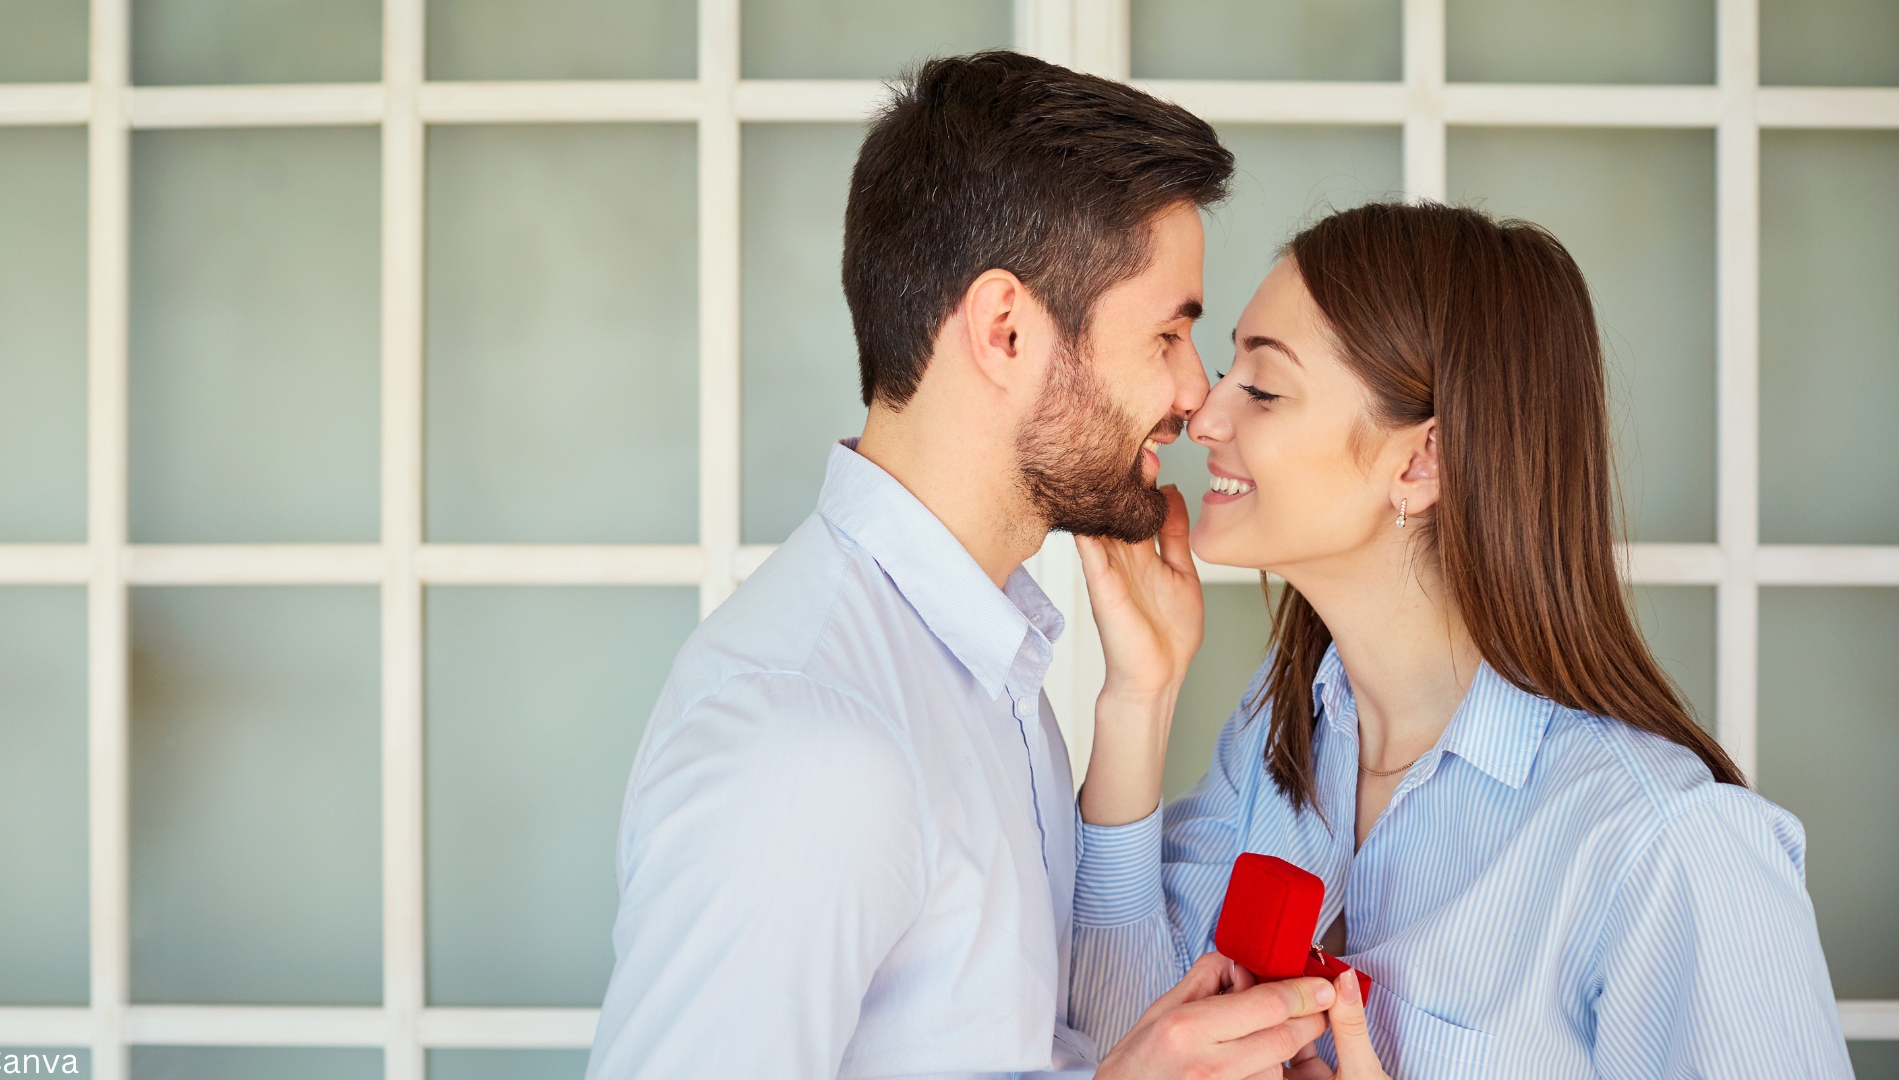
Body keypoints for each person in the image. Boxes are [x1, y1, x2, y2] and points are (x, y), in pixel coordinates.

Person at [586, 51, 1340, 1079]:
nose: (1192, 395)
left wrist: (1141, 699)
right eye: (1166, 334)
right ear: (1005, 328)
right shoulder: (809, 740)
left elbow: (1046, 1041)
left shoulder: (983, 663)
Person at [1068, 202, 1853, 1077]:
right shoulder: (1280, 737)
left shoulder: (1668, 848)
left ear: (1423, 459)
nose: (1203, 418)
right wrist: (1139, 696)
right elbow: (1117, 1041)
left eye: (1261, 388)